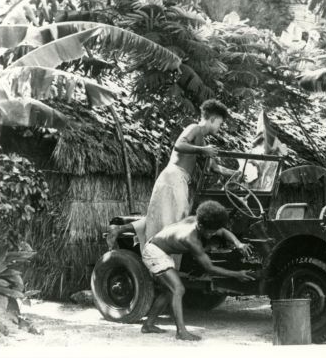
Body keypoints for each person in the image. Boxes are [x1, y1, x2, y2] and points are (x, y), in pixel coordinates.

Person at [107, 99, 241, 252]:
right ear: (213, 119)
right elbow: (179, 145)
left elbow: (213, 167)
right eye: (220, 123)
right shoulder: (194, 128)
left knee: (161, 219)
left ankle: (118, 230)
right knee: (177, 223)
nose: (219, 127)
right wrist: (203, 150)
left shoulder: (201, 139)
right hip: (173, 177)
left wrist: (234, 173)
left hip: (179, 180)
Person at [140, 200, 255, 341]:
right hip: (154, 252)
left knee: (168, 291)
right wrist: (237, 274)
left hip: (162, 249)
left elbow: (222, 230)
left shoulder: (199, 220)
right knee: (178, 289)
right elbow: (210, 268)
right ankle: (181, 332)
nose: (213, 235)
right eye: (211, 232)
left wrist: (239, 244)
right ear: (201, 226)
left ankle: (148, 325)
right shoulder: (190, 238)